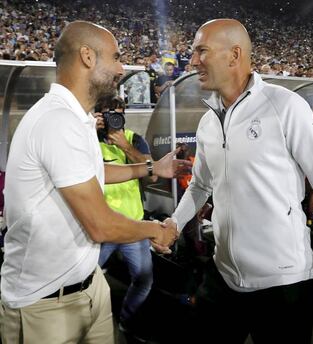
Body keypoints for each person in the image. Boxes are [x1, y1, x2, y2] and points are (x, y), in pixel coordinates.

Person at [0, 20, 190, 344]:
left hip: (91, 289)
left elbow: (92, 172)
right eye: (115, 57)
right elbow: (100, 226)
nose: (121, 67)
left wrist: (149, 167)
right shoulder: (57, 121)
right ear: (87, 57)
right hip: (47, 306)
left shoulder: (80, 118)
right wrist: (157, 229)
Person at [165, 19, 313, 343]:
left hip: (284, 286)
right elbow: (199, 185)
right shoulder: (208, 122)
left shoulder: (286, 107)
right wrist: (174, 223)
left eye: (202, 51)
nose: (193, 61)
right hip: (222, 276)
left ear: (234, 55)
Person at [94, 95, 156, 335]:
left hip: (133, 226)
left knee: (143, 279)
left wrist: (126, 148)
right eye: (109, 113)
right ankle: (92, 324)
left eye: (119, 114)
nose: (115, 119)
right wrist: (89, 128)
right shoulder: (88, 139)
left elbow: (152, 175)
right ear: (99, 115)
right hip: (101, 227)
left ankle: (127, 323)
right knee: (83, 280)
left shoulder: (133, 140)